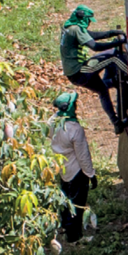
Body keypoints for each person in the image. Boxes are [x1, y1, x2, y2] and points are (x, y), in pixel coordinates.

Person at [59, 4, 123, 130]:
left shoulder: (68, 28)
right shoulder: (75, 29)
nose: (89, 24)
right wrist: (116, 43)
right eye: (88, 21)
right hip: (81, 71)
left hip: (73, 75)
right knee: (113, 55)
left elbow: (91, 34)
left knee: (102, 90)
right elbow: (95, 46)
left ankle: (116, 123)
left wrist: (111, 33)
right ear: (83, 19)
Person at [49, 92, 97, 243]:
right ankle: (75, 236)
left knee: (65, 200)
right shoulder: (75, 129)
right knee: (77, 204)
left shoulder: (52, 123)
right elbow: (83, 156)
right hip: (77, 172)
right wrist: (90, 174)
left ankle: (66, 226)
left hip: (62, 168)